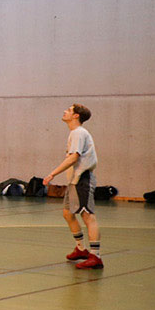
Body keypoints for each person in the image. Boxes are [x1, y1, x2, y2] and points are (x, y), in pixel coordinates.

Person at [42, 103, 102, 270]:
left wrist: (52, 174)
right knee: (68, 214)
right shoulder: (74, 133)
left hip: (83, 179)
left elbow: (73, 158)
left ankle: (95, 256)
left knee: (88, 216)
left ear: (76, 116)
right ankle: (81, 249)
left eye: (69, 110)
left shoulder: (78, 133)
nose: (65, 111)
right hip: (74, 181)